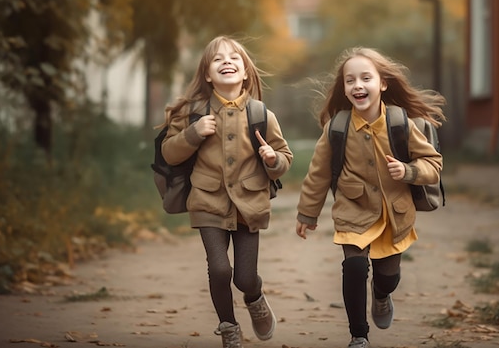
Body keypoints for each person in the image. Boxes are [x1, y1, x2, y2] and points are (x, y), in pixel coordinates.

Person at [295, 47, 445, 348]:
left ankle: (381, 294)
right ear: (344, 88)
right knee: (353, 267)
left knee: (388, 278)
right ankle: (358, 336)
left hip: (394, 215)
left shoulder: (401, 123)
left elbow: (433, 165)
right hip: (354, 210)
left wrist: (409, 171)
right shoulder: (336, 127)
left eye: (366, 78)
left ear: (383, 84)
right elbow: (318, 174)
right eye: (350, 81)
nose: (358, 85)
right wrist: (306, 214)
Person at [160, 35, 293, 348]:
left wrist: (273, 160)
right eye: (217, 59)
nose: (226, 62)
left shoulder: (261, 114)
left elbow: (284, 156)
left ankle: (255, 297)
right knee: (220, 269)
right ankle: (228, 326)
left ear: (245, 71)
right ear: (208, 74)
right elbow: (168, 154)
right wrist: (193, 134)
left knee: (244, 278)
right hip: (207, 200)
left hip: (250, 204)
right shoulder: (193, 113)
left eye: (234, 58)